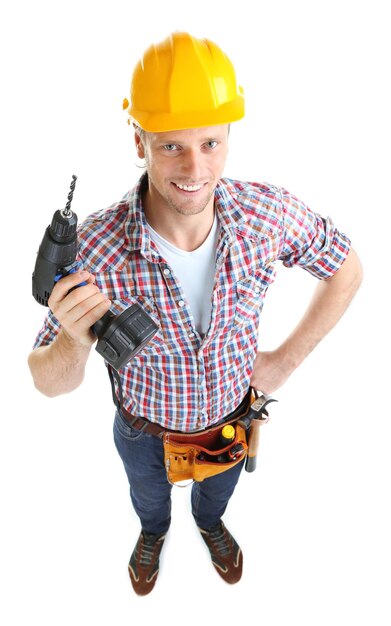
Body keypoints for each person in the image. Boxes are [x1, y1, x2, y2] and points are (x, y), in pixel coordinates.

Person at [28, 31, 362, 596]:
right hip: (142, 431)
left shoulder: (267, 215)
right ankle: (153, 534)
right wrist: (74, 339)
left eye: (210, 144)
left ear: (229, 136)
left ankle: (210, 525)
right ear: (139, 141)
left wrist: (281, 363)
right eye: (171, 146)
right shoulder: (96, 248)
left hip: (232, 418)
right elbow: (46, 381)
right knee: (149, 500)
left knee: (218, 494)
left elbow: (346, 269)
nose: (194, 167)